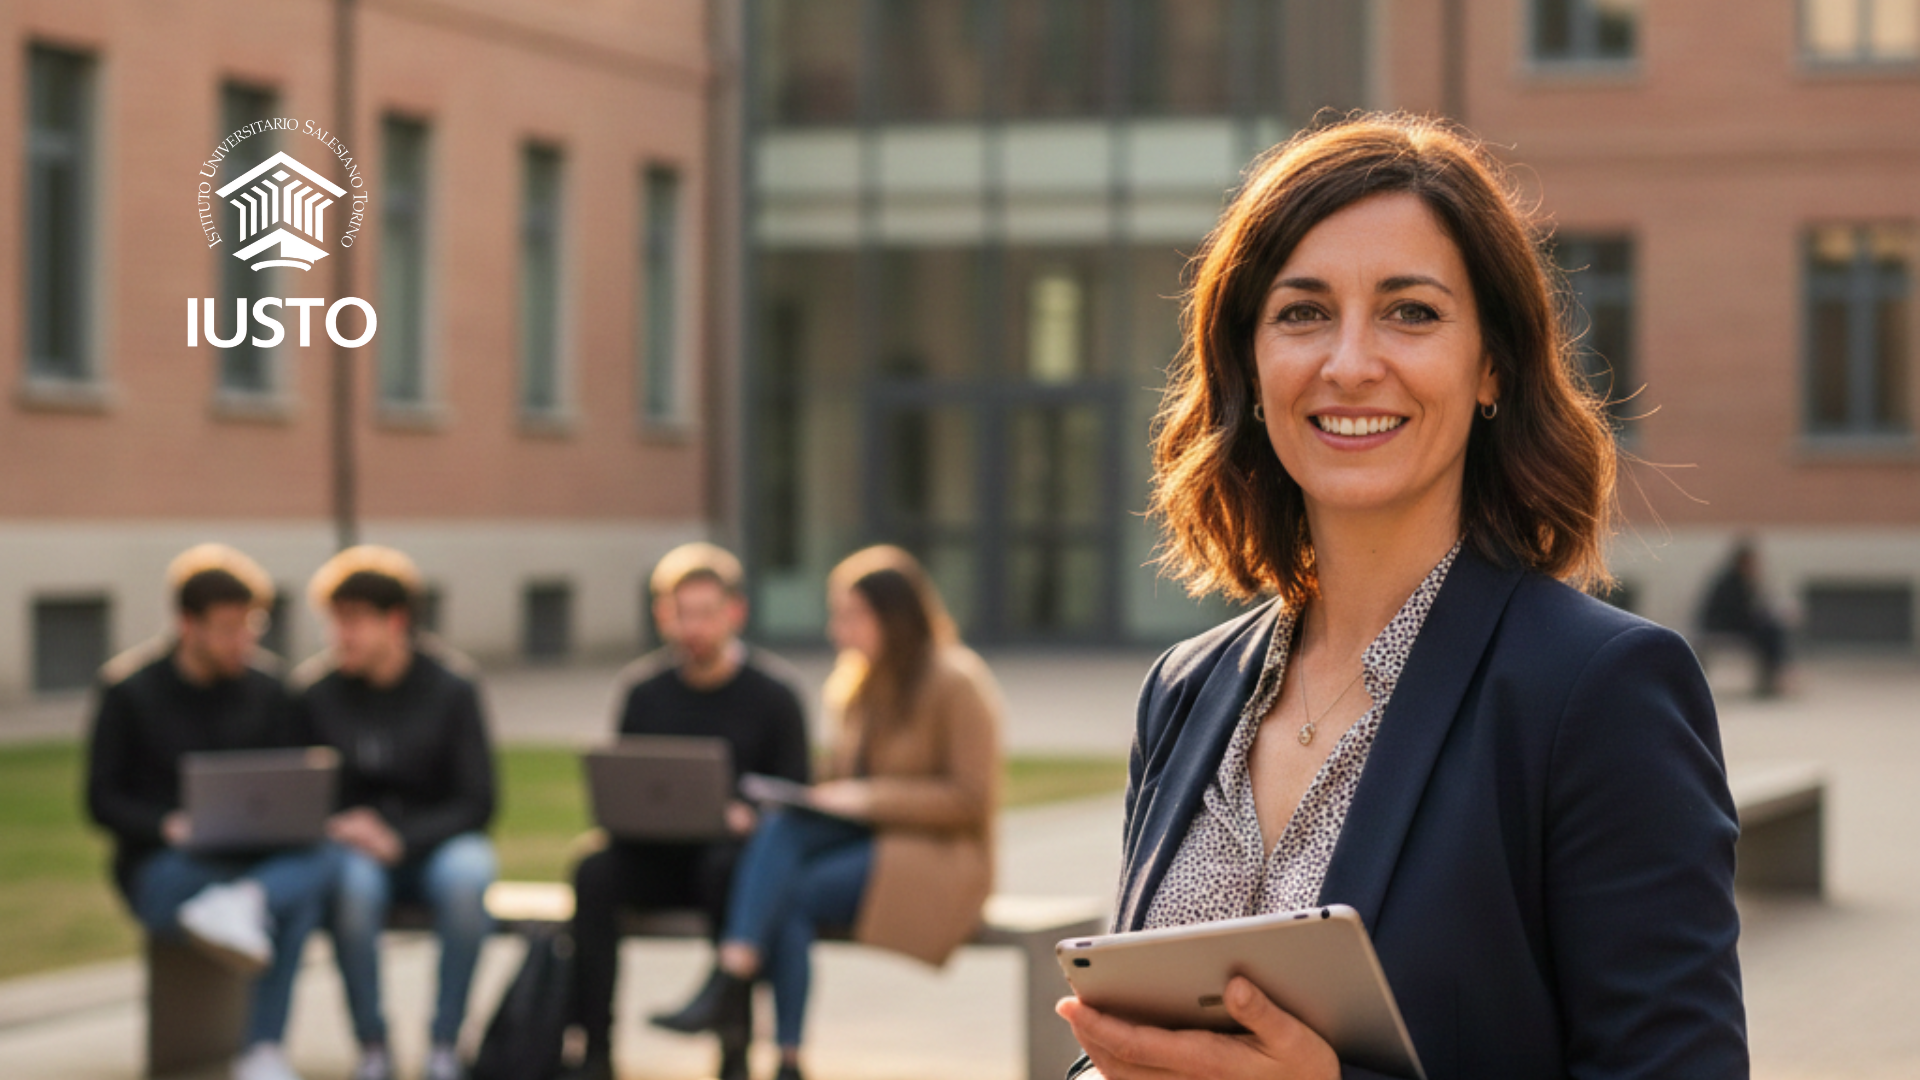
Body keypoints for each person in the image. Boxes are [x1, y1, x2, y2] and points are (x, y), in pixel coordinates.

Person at [1054, 115, 1746, 1079]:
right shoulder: (1184, 691)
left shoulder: (1598, 693)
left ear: (1492, 365)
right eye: (1302, 313)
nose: (1348, 363)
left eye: (1410, 312)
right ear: (1250, 365)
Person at [651, 545, 1003, 1080]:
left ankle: (732, 979)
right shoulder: (857, 682)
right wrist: (813, 795)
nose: (837, 630)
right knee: (783, 832)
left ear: (892, 615)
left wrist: (868, 797)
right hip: (870, 843)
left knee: (789, 889)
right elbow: (841, 780)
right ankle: (787, 1056)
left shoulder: (957, 681)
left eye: (849, 615)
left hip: (940, 858)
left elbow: (973, 799)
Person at [86, 544, 340, 1080]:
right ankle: (260, 1039)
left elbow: (296, 783)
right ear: (186, 623)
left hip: (254, 862)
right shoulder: (128, 692)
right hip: (166, 866)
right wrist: (165, 825)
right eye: (228, 627)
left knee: (327, 861)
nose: (242, 640)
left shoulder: (270, 690)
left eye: (251, 625)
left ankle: (261, 1050)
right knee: (285, 905)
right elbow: (100, 799)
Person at [560, 543, 812, 1080]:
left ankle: (734, 1050)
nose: (692, 628)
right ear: (662, 616)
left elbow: (796, 795)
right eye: (681, 614)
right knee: (593, 871)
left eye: (705, 613)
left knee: (730, 869)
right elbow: (627, 781)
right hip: (654, 854)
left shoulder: (774, 696)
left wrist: (749, 814)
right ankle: (596, 1049)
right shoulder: (644, 691)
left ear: (734, 614)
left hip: (729, 863)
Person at [291, 546, 498, 1080]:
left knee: (467, 878)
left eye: (354, 622)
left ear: (396, 621)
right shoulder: (317, 693)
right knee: (352, 891)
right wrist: (339, 825)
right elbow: (298, 792)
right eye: (334, 622)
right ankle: (372, 1044)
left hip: (438, 842)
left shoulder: (452, 688)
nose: (341, 636)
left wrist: (402, 838)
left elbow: (479, 800)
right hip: (356, 848)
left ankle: (445, 1044)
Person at [1699, 538, 1791, 696]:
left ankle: (1773, 677)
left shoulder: (1740, 580)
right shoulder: (1731, 582)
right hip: (1721, 626)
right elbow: (1738, 612)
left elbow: (1748, 611)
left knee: (1771, 631)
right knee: (1770, 632)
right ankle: (1773, 678)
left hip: (1731, 624)